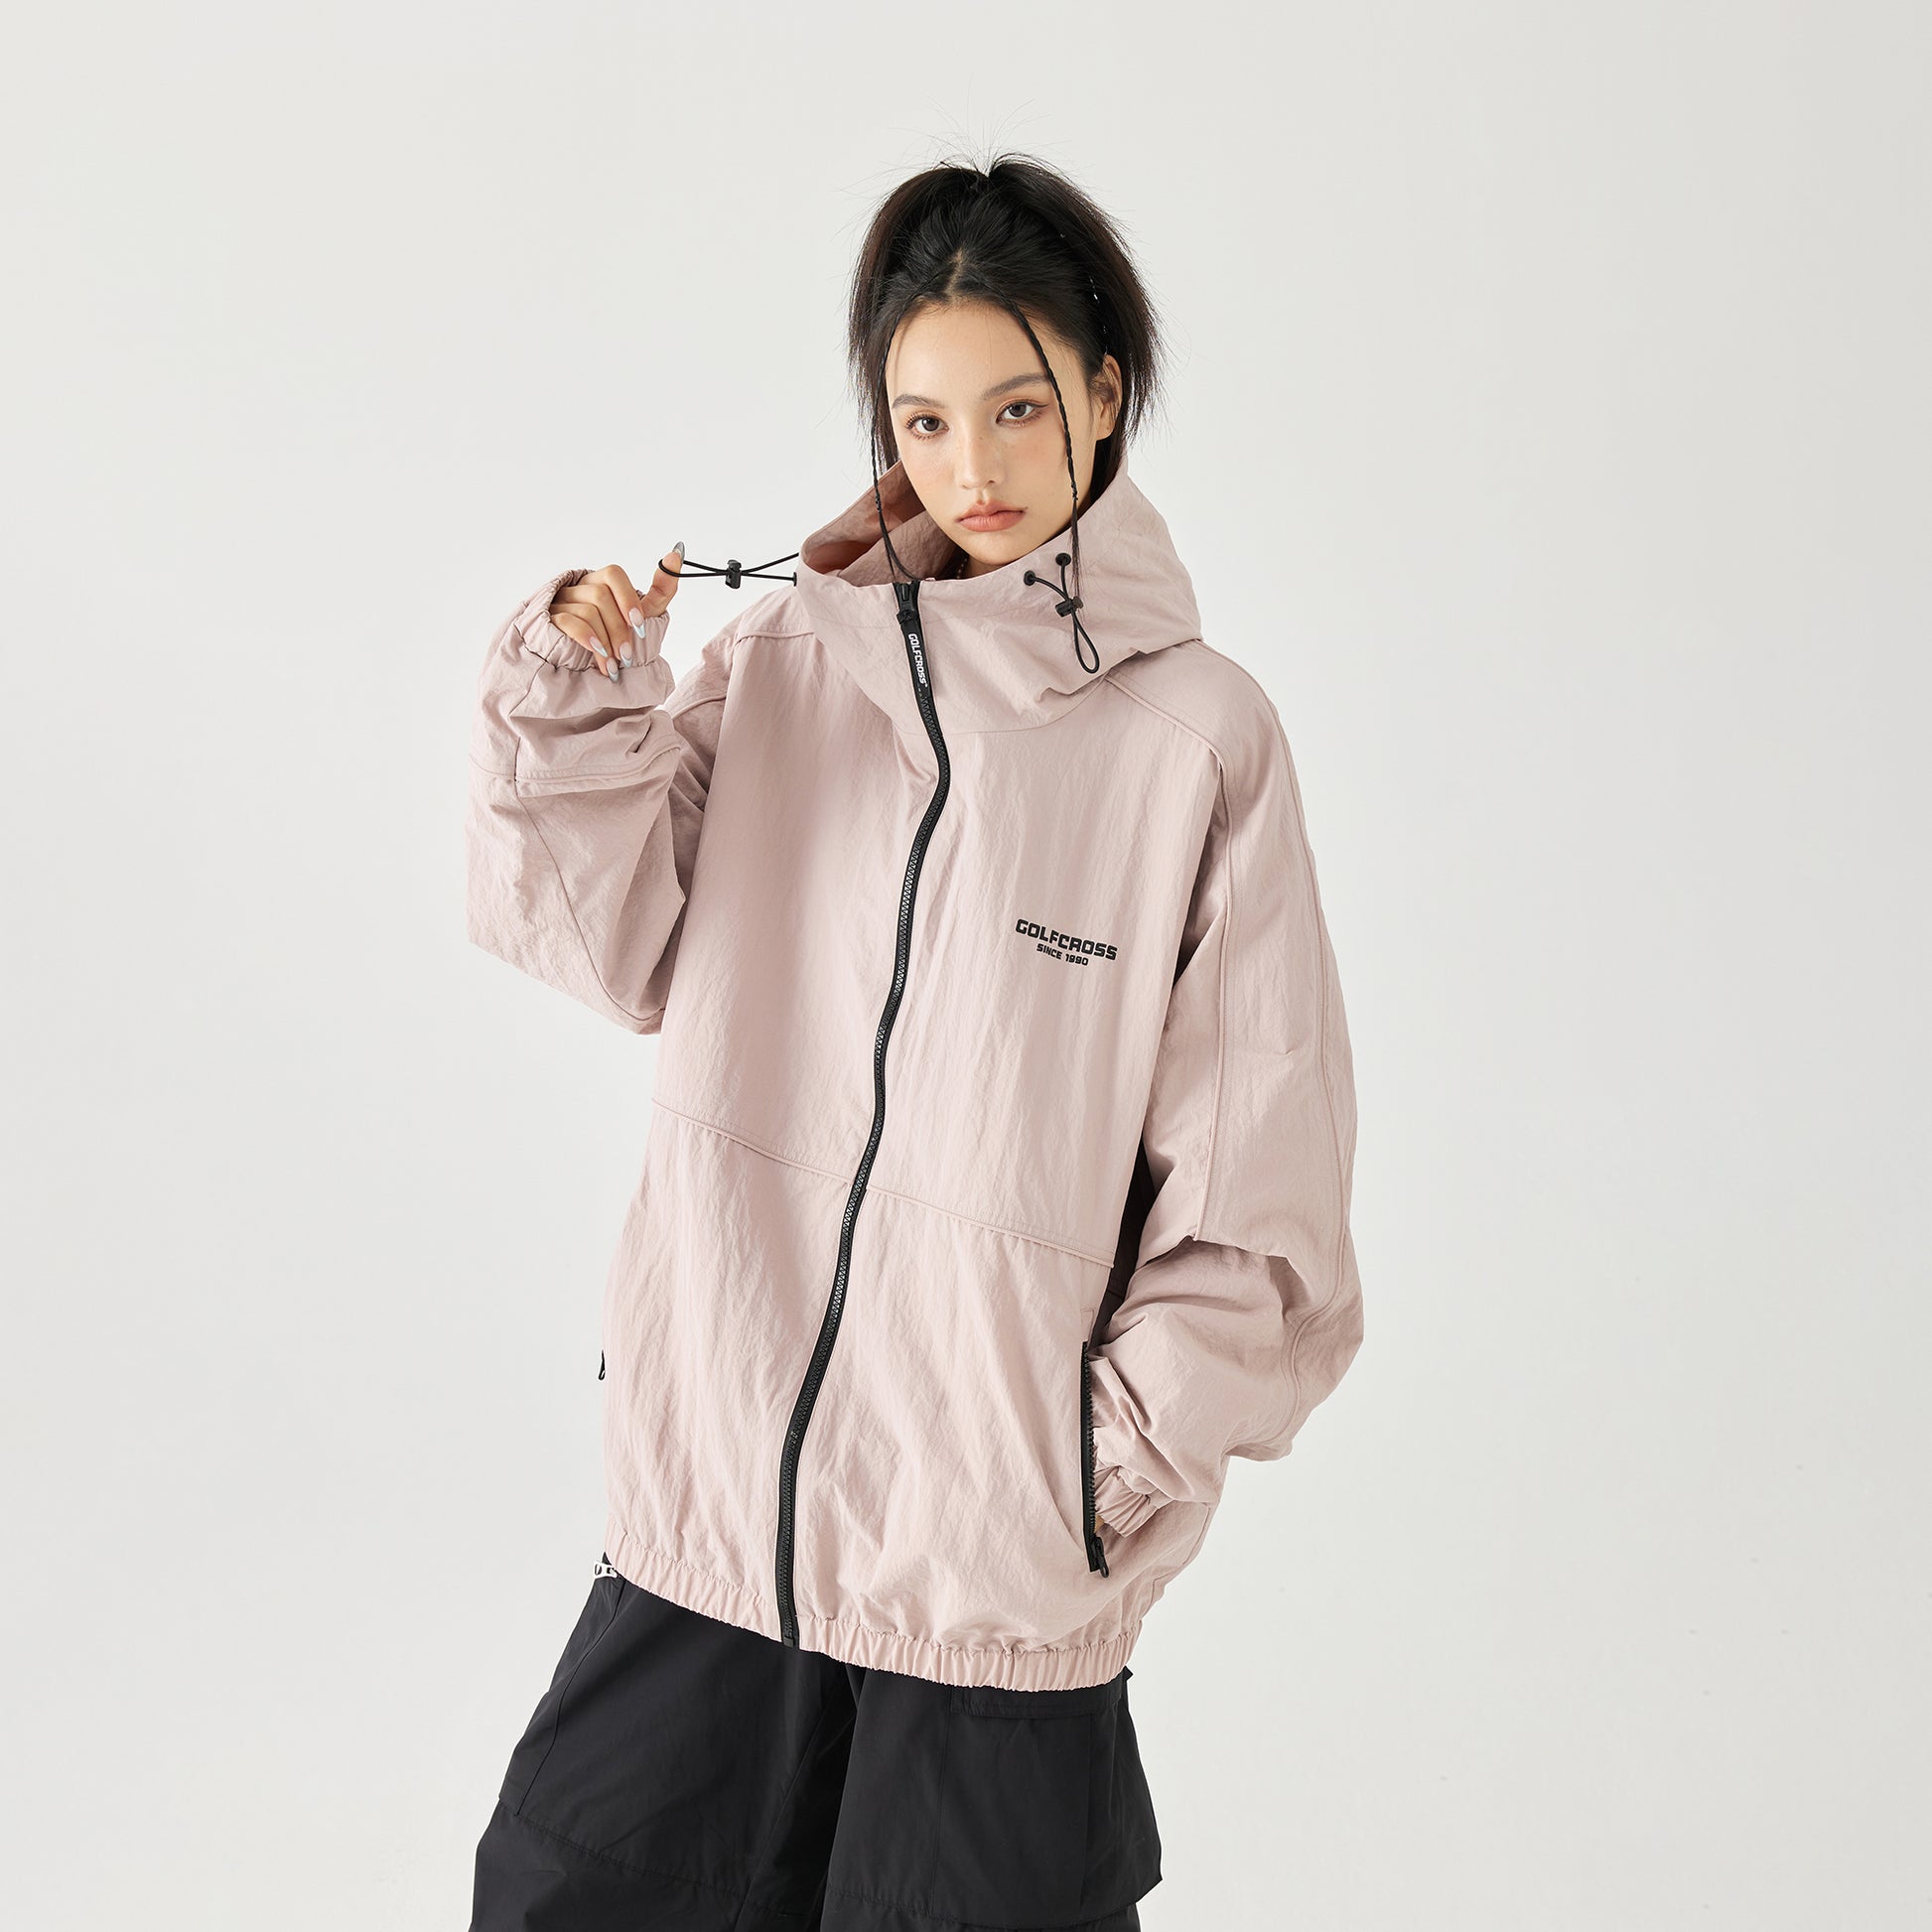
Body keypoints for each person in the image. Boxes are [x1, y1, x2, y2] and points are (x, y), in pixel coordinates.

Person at [464, 150, 1365, 1932]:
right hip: (719, 1514)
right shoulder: (786, 662)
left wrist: (1093, 1475)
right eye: (925, 420)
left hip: (992, 1577)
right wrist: (573, 704)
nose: (973, 467)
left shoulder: (1197, 743)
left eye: (1017, 409)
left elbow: (1263, 1192)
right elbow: (606, 938)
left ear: (1102, 395)